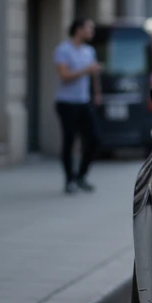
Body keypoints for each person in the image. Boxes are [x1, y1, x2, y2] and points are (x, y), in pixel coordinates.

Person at [54, 18, 102, 193]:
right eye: (89, 28)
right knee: (69, 140)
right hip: (66, 103)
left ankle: (81, 175)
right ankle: (69, 180)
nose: (92, 31)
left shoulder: (89, 51)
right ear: (79, 29)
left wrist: (97, 94)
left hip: (84, 102)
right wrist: (85, 71)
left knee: (94, 139)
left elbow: (94, 74)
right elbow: (64, 76)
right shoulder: (63, 50)